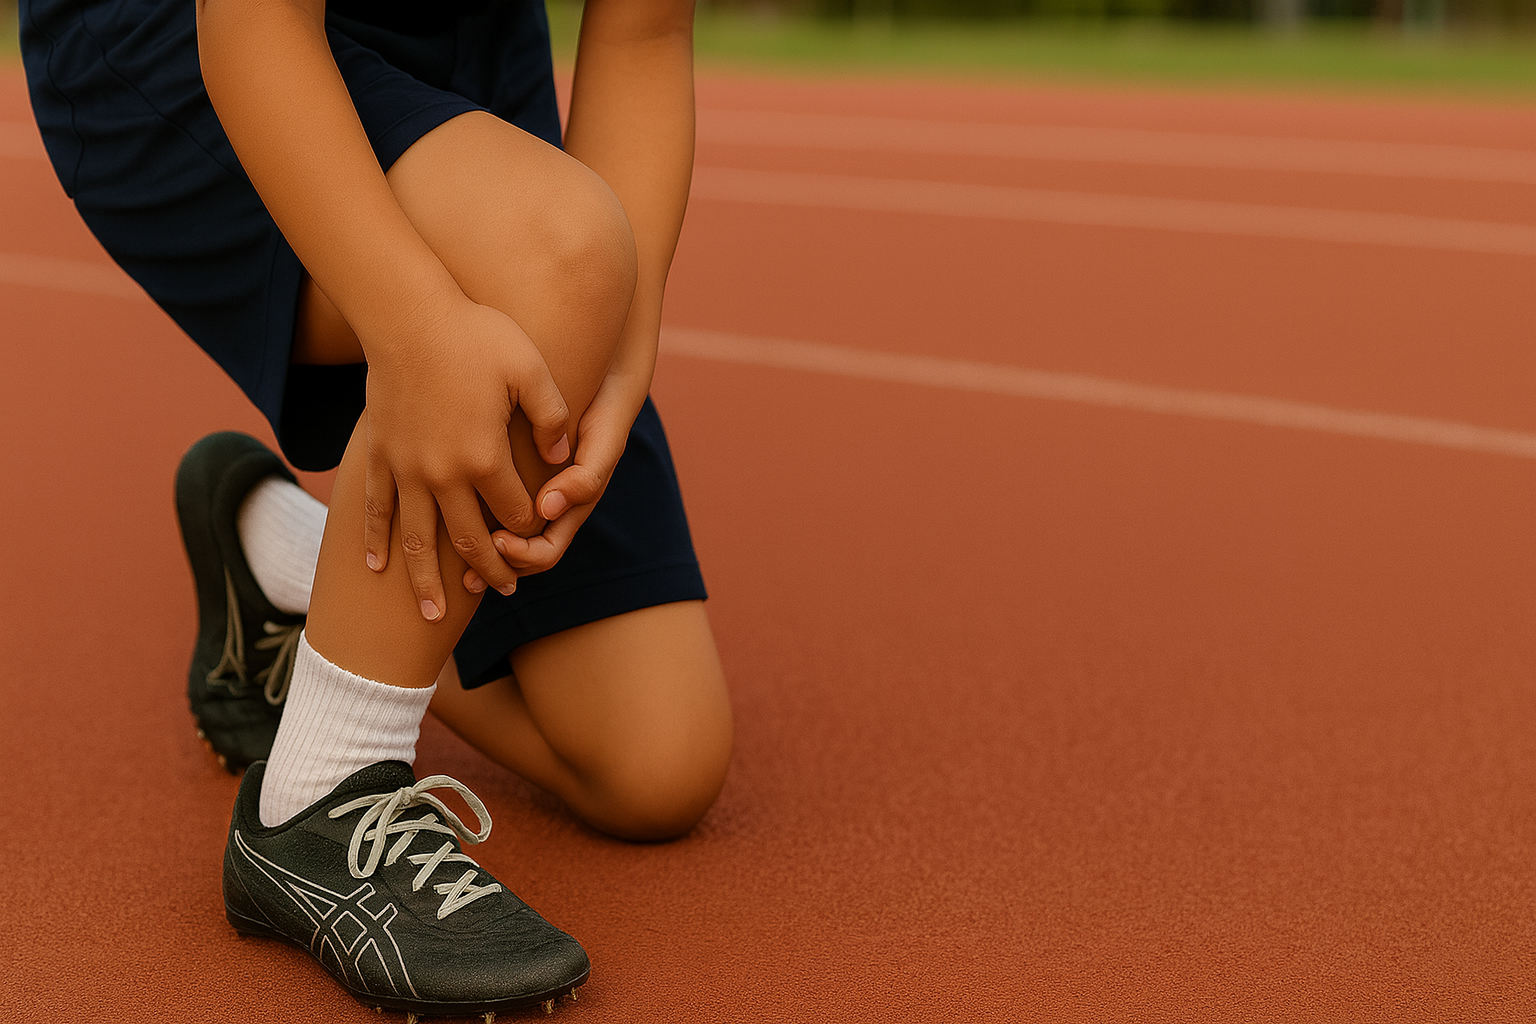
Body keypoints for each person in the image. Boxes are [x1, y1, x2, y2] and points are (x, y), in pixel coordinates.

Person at [20, 0, 734, 1015]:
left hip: (466, 52)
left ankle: (278, 551)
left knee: (654, 761)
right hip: (193, 43)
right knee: (556, 251)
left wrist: (623, 342)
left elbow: (644, 32)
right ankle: (320, 790)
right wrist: (419, 324)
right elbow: (253, 28)